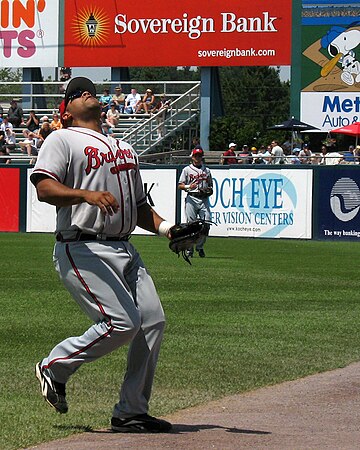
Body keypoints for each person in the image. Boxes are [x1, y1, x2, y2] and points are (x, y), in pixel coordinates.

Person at [31, 76, 173, 433]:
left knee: (152, 321)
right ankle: (54, 366)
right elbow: (44, 188)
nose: (85, 92)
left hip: (125, 247)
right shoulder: (61, 139)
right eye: (76, 93)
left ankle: (131, 411)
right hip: (82, 245)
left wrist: (169, 229)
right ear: (65, 112)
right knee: (122, 323)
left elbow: (140, 206)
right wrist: (84, 194)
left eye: (88, 89)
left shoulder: (124, 147)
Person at [178, 147, 212, 258]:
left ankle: (200, 247)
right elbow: (180, 185)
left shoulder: (207, 170)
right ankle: (189, 249)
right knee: (191, 225)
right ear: (192, 157)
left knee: (206, 223)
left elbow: (210, 186)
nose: (198, 158)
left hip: (204, 199)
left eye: (199, 155)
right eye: (196, 156)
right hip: (191, 198)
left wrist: (208, 190)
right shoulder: (187, 170)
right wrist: (189, 186)